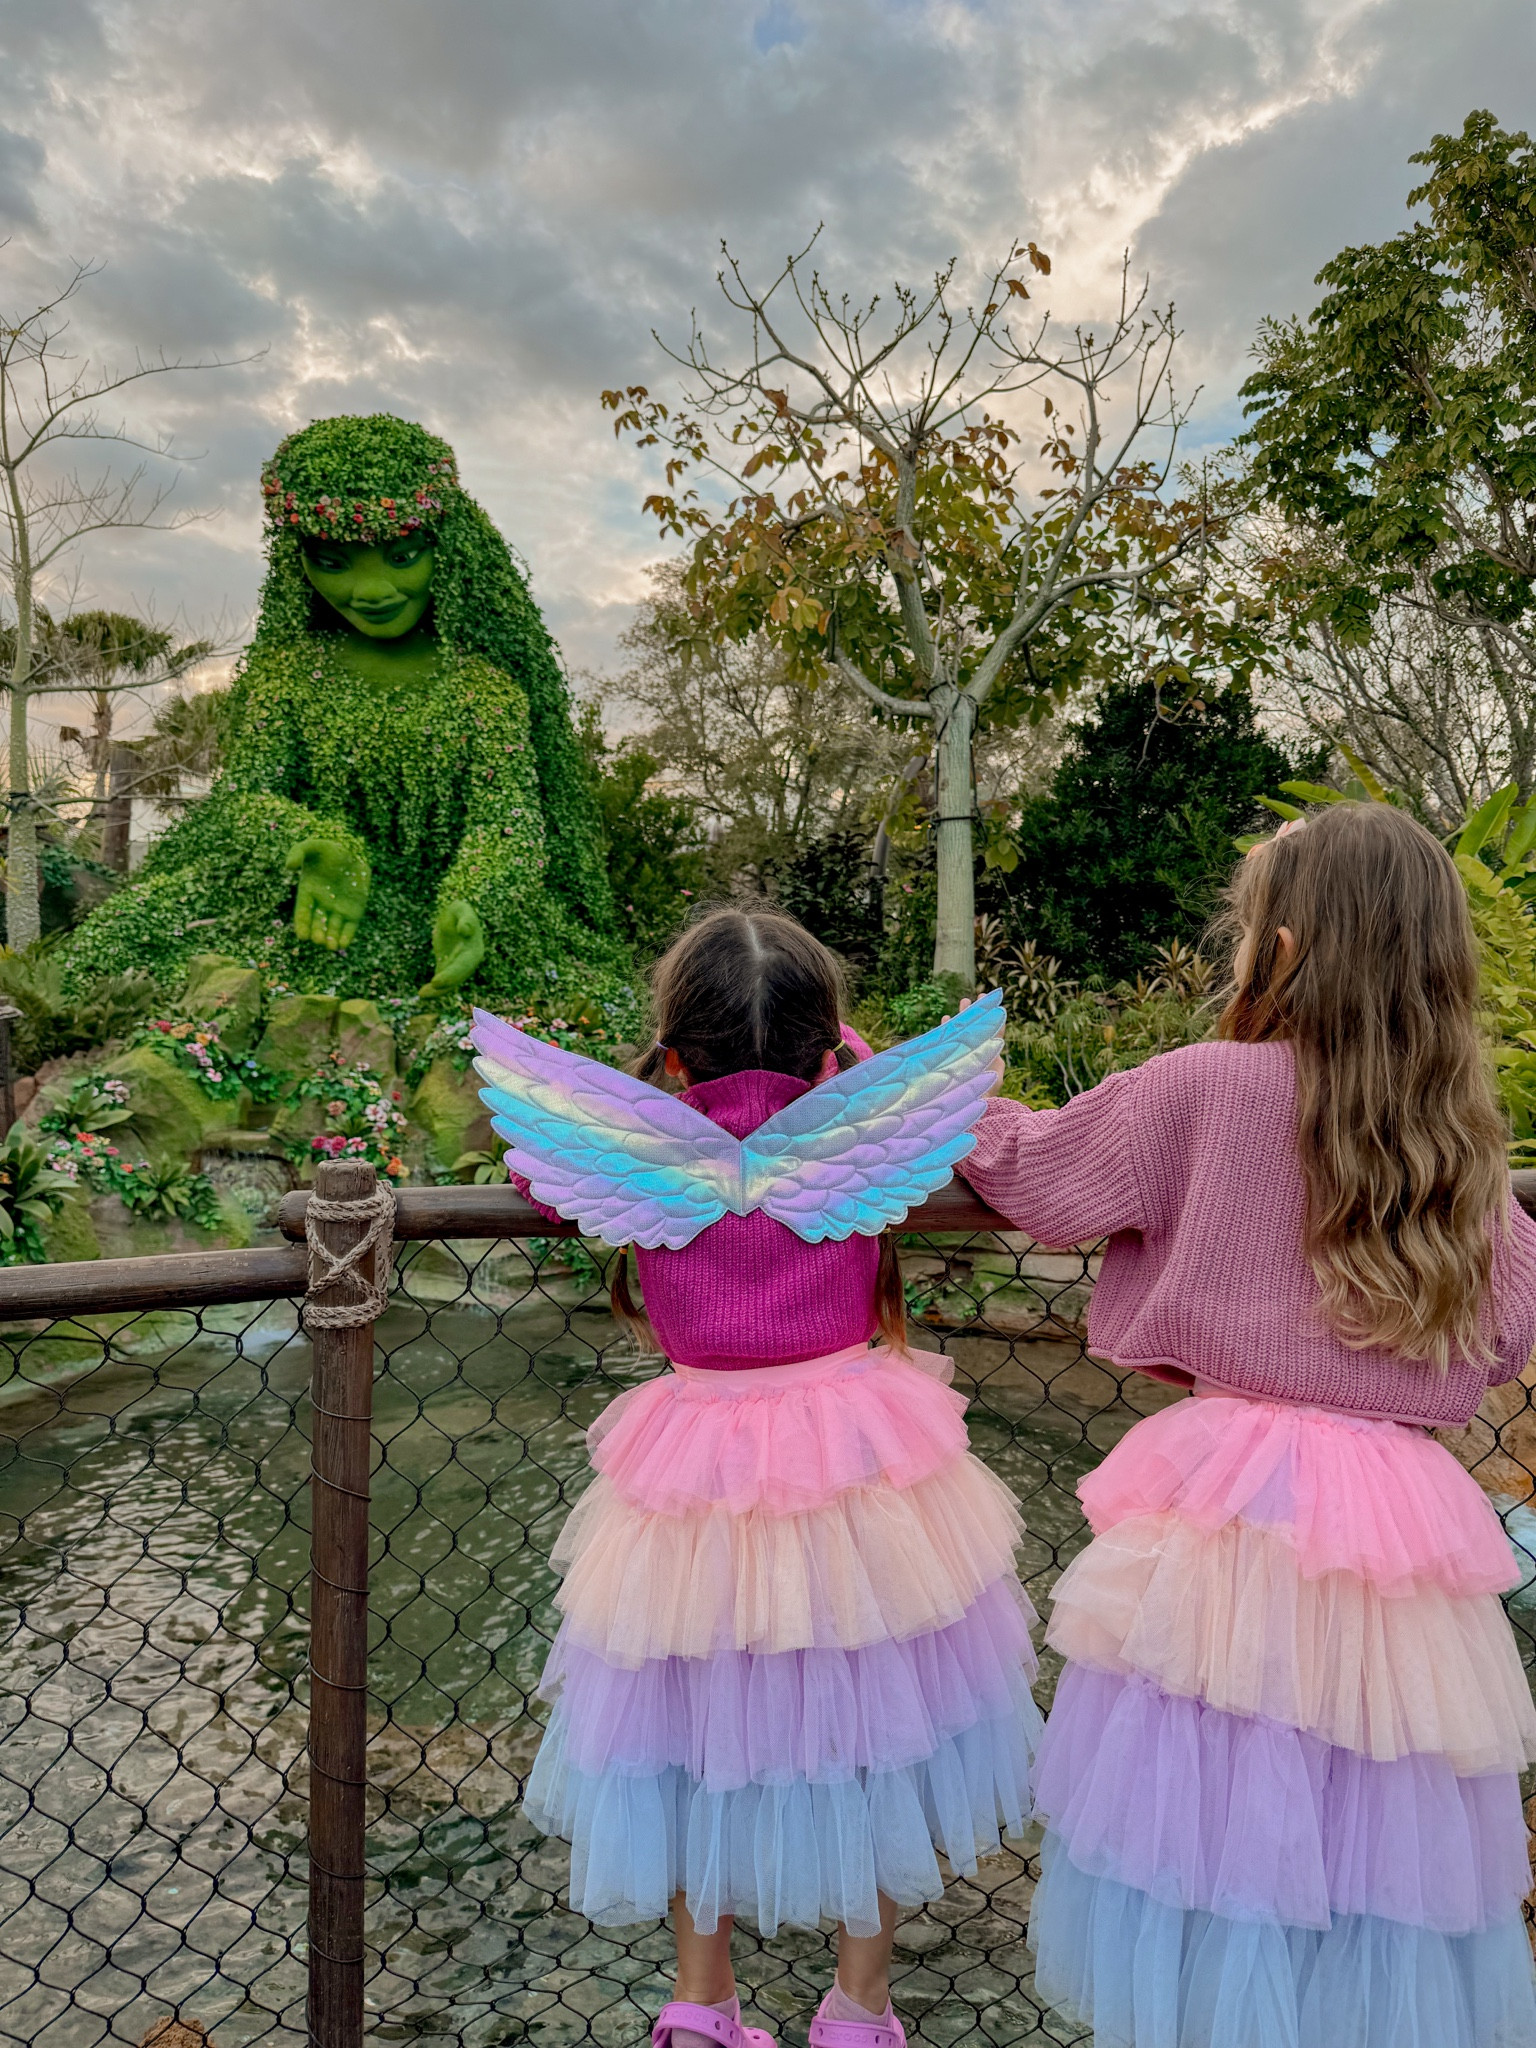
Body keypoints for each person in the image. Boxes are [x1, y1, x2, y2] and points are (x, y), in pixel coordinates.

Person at [959, 804, 1536, 2048]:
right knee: (1378, 1842)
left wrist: (895, 1084)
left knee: (1206, 1834)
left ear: (1282, 945)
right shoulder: (1459, 1147)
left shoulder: (1203, 1089)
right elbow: (1507, 1330)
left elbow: (1033, 1171)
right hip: (1400, 1524)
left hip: (1233, 1508)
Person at [470, 907, 1040, 2048]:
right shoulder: (861, 1138)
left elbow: (542, 1181)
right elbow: (944, 1122)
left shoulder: (643, 1154)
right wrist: (859, 1063)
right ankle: (860, 2006)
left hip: (699, 1462)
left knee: (692, 1725)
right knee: (882, 1717)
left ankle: (700, 2001)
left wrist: (662, 1101)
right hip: (858, 1459)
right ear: (828, 1043)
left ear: (675, 1051)